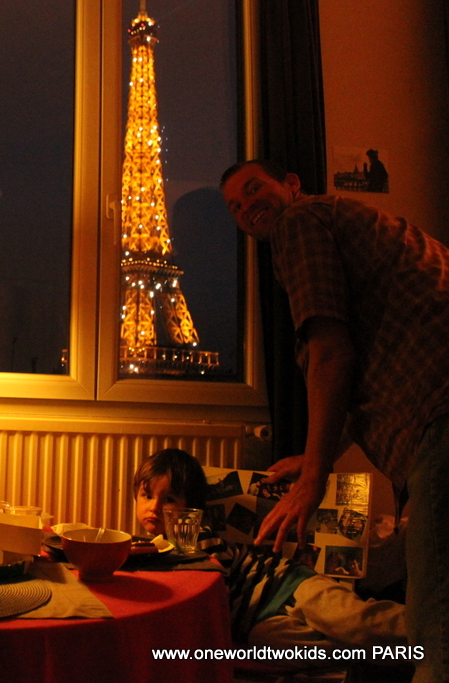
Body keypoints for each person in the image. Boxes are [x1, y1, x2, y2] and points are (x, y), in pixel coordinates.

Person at [221, 159, 449, 681]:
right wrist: (312, 455)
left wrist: (313, 477)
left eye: (254, 189)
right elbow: (356, 370)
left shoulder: (301, 221)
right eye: (235, 206)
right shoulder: (351, 222)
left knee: (435, 639)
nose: (246, 207)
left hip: (439, 415)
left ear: (292, 184)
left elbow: (331, 353)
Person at [134, 448, 406, 651]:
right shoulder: (150, 550)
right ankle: (370, 653)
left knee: (355, 621)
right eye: (147, 495)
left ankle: (422, 627)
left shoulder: (197, 538)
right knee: (273, 646)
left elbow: (211, 586)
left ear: (190, 507)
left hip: (288, 585)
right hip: (260, 621)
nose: (154, 507)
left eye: (168, 499)